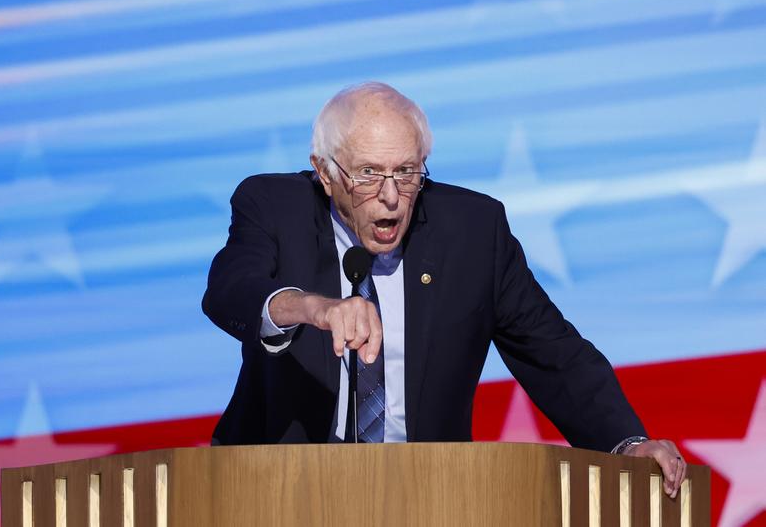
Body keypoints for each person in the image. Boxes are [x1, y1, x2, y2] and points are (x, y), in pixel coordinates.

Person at [202, 82, 686, 498]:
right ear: (325, 173)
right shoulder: (272, 206)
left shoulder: (473, 230)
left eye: (407, 172)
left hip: (430, 496)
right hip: (278, 491)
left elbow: (553, 352)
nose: (390, 196)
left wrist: (626, 443)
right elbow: (230, 288)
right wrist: (313, 308)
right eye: (368, 173)